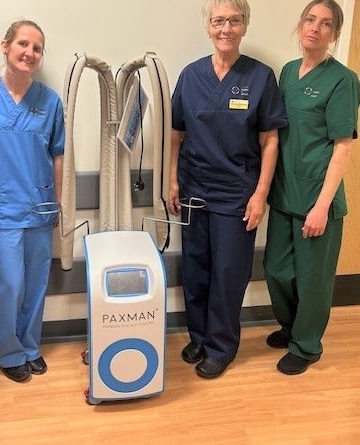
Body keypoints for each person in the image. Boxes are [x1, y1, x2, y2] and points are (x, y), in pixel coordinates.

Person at [168, 0, 287, 379]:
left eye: (234, 21)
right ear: (208, 27)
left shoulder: (260, 77)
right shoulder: (190, 75)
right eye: (219, 21)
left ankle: (221, 346)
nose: (226, 28)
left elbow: (270, 139)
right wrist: (172, 179)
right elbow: (177, 132)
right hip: (193, 188)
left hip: (237, 193)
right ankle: (199, 336)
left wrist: (260, 193)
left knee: (228, 273)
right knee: (196, 268)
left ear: (244, 27)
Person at [264, 0, 360, 375]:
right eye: (310, 19)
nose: (315, 28)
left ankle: (306, 346)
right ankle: (290, 328)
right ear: (300, 25)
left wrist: (321, 206)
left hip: (318, 197)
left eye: (326, 24)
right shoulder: (288, 73)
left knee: (312, 279)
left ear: (335, 34)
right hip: (286, 192)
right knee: (276, 269)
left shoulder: (343, 80)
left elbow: (343, 147)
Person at [0, 20, 64, 383]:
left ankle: (30, 345)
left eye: (37, 48)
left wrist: (58, 202)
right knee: (7, 284)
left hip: (40, 207)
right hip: (1, 209)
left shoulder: (50, 101)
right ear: (5, 46)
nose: (29, 52)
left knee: (36, 282)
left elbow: (58, 155)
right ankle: (9, 352)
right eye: (23, 44)